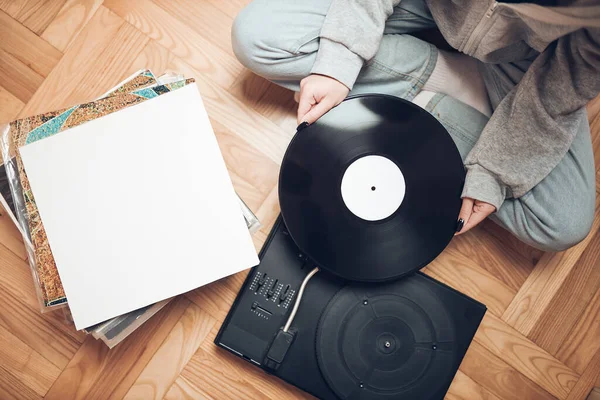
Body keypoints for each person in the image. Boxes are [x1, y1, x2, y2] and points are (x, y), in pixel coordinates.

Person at [231, 0, 600, 251]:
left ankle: (447, 85)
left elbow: (567, 79)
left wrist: (496, 171)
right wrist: (340, 58)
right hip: (428, 8)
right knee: (257, 37)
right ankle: (446, 77)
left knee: (561, 224)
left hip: (533, 62)